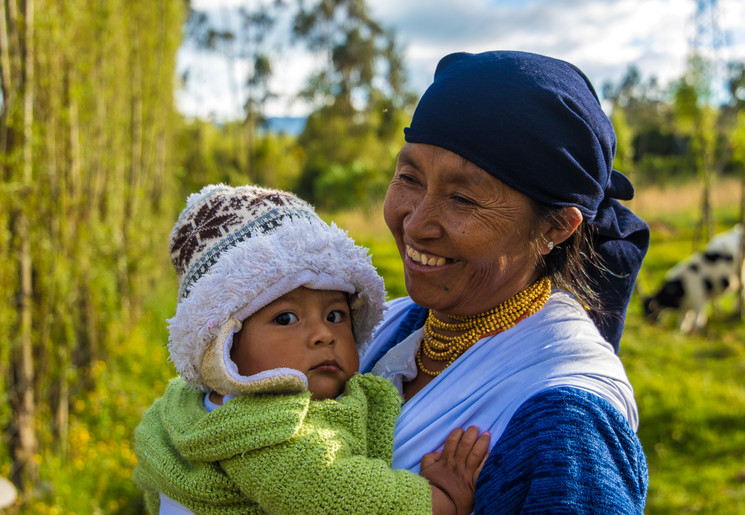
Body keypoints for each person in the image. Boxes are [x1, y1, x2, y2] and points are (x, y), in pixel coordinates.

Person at [359, 50, 651, 513]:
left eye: (463, 199)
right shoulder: (379, 328)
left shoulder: (567, 431)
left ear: (558, 227)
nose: (416, 224)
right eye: (409, 177)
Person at [132, 184, 490, 515]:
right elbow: (335, 493)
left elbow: (154, 486)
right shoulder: (265, 428)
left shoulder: (182, 410)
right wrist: (441, 500)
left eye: (336, 314)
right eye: (286, 319)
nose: (323, 334)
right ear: (223, 349)